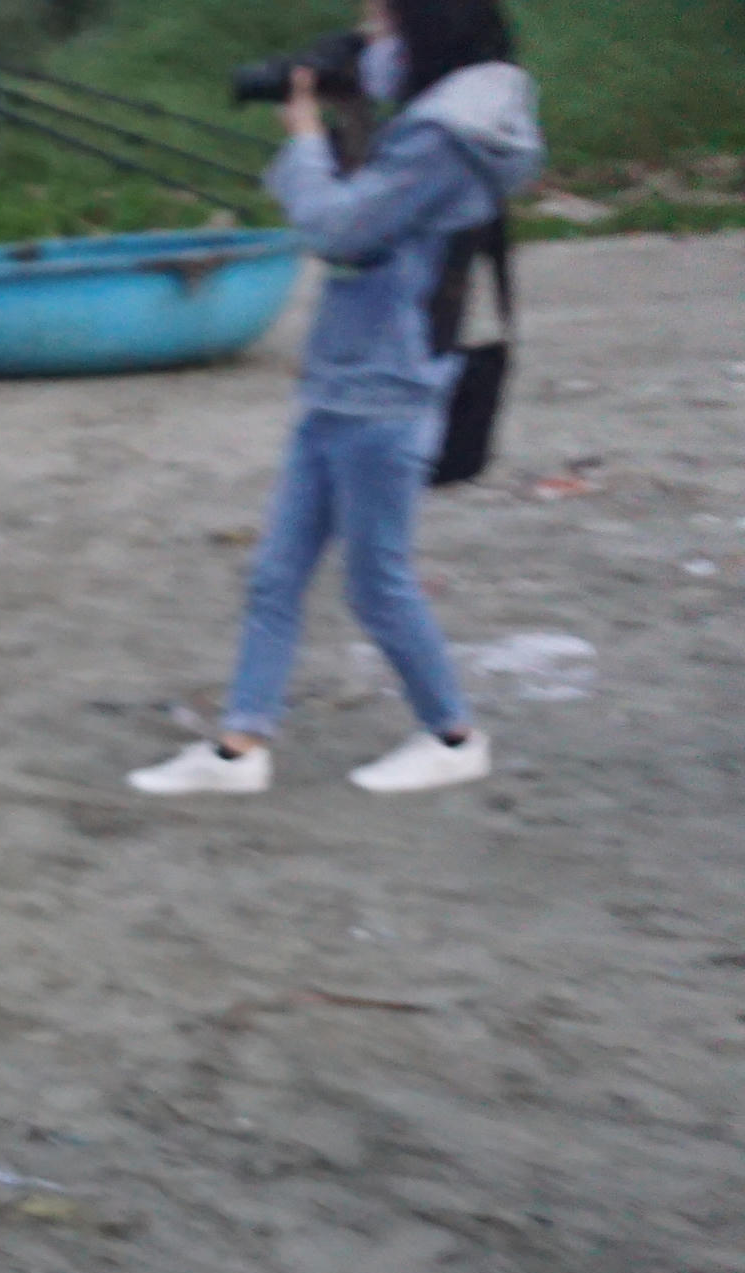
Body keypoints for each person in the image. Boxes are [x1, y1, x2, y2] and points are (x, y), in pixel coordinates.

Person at [130, 0, 542, 800]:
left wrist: (306, 138)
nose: (371, 39)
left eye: (380, 24)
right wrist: (343, 108)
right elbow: (369, 214)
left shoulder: (445, 137)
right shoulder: (431, 119)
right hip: (345, 374)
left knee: (376, 582)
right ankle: (240, 748)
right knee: (275, 573)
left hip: (389, 386)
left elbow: (342, 229)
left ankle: (453, 735)